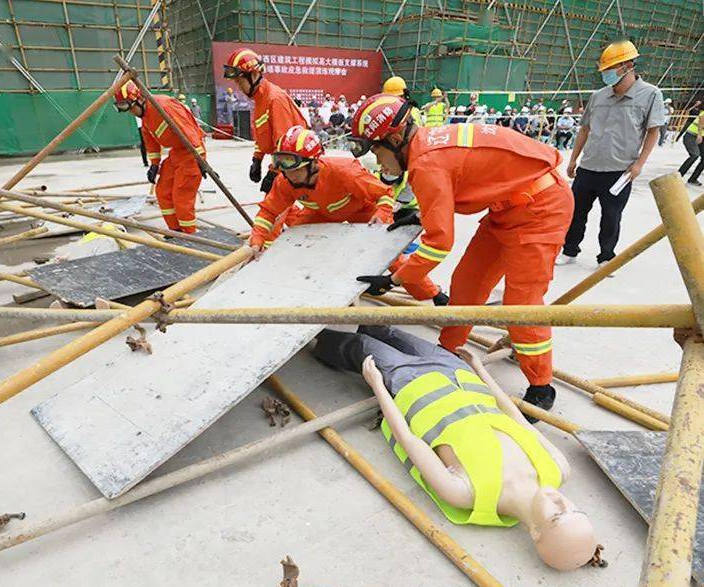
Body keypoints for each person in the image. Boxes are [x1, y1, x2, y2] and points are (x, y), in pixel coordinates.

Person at [349, 93, 574, 410]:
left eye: (375, 146)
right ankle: (448, 350)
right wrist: (424, 213)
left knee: (521, 305)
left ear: (396, 138)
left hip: (541, 208)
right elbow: (465, 178)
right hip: (507, 207)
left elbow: (439, 244)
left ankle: (541, 386)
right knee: (468, 281)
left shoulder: (425, 163)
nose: (376, 156)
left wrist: (396, 279)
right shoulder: (426, 147)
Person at [311, 326, 600, 571]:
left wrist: (378, 386)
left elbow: (409, 440)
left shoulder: (468, 494)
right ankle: (361, 325)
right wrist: (479, 370)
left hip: (411, 384)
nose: (563, 502)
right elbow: (515, 416)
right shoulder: (558, 468)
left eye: (557, 516)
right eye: (576, 510)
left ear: (535, 532)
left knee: (360, 345)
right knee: (386, 331)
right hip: (460, 375)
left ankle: (313, 340)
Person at [557, 40, 666, 267]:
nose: (606, 74)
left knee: (611, 218)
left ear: (627, 65)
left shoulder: (650, 95)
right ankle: (569, 250)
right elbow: (585, 129)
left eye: (610, 68)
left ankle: (606, 257)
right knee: (575, 213)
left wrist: (639, 165)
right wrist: (574, 159)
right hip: (588, 167)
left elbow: (653, 132)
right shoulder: (598, 96)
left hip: (619, 170)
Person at [247, 125, 398, 255]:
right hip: (319, 214)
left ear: (313, 164)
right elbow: (268, 211)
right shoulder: (285, 180)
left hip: (361, 211)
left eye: (295, 169)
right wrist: (257, 239)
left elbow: (385, 192)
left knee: (389, 255)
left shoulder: (345, 171)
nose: (288, 175)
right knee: (294, 243)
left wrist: (382, 213)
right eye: (283, 168)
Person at [114, 81, 205, 233]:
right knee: (163, 191)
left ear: (139, 100)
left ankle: (190, 235)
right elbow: (150, 141)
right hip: (176, 153)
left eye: (130, 108)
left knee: (181, 197)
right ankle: (175, 231)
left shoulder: (164, 106)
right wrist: (154, 164)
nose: (130, 113)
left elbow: (190, 132)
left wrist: (200, 158)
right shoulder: (146, 117)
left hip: (191, 152)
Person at [223, 47, 307, 194]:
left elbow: (284, 145)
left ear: (254, 74)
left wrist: (274, 172)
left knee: (276, 210)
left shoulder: (275, 99)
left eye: (239, 81)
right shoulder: (260, 99)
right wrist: (257, 159)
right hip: (285, 164)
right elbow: (262, 134)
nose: (238, 87)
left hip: (293, 166)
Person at [678, 108, 703, 185]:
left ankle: (693, 179)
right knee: (694, 155)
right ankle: (678, 176)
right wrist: (699, 135)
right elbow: (701, 121)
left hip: (701, 138)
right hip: (691, 136)